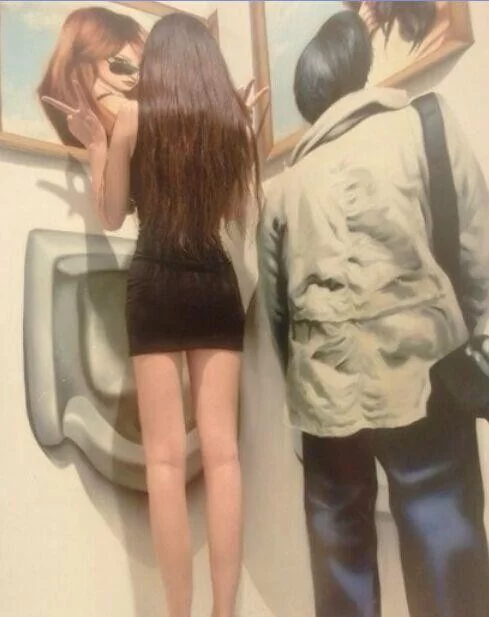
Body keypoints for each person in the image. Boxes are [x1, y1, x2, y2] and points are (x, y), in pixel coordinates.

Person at [258, 10, 489, 617]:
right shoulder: (427, 124)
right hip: (427, 378)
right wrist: (477, 348)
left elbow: (278, 319)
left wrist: (310, 385)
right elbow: (478, 252)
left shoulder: (284, 187)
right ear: (359, 66)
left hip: (324, 400)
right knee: (445, 556)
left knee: (341, 568)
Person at [42, 13, 266, 617]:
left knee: (164, 462)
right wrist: (243, 130)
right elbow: (235, 211)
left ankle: (178, 611)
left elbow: (112, 215)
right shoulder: (226, 124)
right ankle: (225, 611)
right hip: (214, 283)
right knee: (224, 456)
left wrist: (97, 148)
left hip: (157, 286)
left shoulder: (134, 118)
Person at [38, 6, 146, 147]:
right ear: (92, 53)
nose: (135, 75)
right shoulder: (125, 107)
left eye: (142, 67)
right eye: (123, 64)